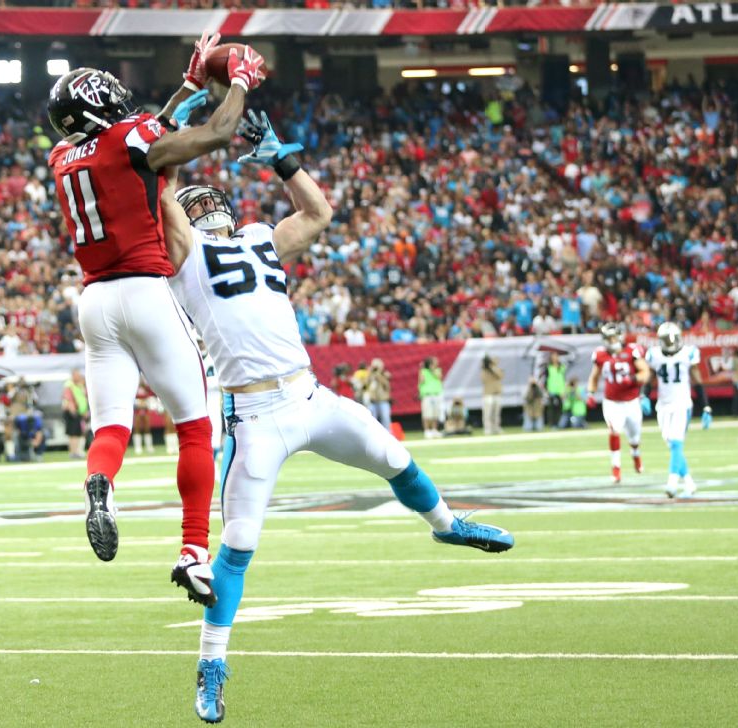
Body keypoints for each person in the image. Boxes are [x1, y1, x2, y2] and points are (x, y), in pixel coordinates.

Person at [157, 111, 513, 723]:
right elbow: (159, 185)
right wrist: (178, 127)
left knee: (395, 459)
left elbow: (319, 214)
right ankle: (211, 665)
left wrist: (281, 159)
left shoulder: (258, 236)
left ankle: (447, 524)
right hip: (255, 415)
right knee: (237, 547)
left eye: (212, 199)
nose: (210, 206)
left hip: (310, 395)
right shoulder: (183, 257)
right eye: (199, 202)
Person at [46, 34, 265, 597]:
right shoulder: (125, 140)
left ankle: (101, 482)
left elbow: (146, 139)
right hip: (145, 289)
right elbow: (209, 135)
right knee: (196, 423)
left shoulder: (62, 158)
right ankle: (194, 551)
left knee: (111, 424)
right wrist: (237, 80)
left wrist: (190, 85)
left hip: (94, 302)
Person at [646, 322, 709, 498]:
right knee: (672, 445)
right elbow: (649, 378)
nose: (671, 342)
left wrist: (706, 405)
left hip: (682, 404)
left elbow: (698, 381)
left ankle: (672, 483)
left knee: (676, 443)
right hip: (663, 405)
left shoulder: (688, 353)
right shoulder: (654, 354)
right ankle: (689, 483)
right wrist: (644, 395)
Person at [586, 322, 650, 483]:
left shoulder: (631, 351)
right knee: (614, 431)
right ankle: (616, 468)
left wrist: (633, 379)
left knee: (634, 437)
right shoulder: (600, 355)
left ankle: (635, 454)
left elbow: (645, 372)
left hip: (631, 401)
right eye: (608, 338)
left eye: (613, 337)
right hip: (612, 402)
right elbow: (594, 376)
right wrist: (590, 393)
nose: (611, 340)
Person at [61, 369, 88, 460]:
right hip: (72, 412)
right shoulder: (69, 385)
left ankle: (77, 451)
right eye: (77, 375)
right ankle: (73, 452)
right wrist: (73, 411)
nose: (79, 376)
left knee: (78, 432)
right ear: (73, 375)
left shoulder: (79, 385)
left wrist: (84, 411)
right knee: (73, 433)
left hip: (79, 412)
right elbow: (68, 398)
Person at [418, 357, 444, 439]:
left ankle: (434, 430)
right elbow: (421, 381)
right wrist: (423, 369)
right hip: (427, 395)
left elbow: (439, 377)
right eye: (435, 361)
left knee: (435, 413)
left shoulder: (438, 370)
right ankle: (427, 431)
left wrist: (432, 370)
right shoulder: (423, 371)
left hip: (436, 394)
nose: (437, 362)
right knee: (427, 414)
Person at [367, 359, 392, 433]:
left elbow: (386, 386)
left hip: (383, 400)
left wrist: (378, 374)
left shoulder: (385, 374)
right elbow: (366, 384)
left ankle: (388, 434)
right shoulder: (370, 375)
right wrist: (370, 373)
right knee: (372, 419)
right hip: (373, 400)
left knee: (385, 418)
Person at [544, 351, 567, 429]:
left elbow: (563, 379)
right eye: (553, 356)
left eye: (556, 356)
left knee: (560, 408)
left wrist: (564, 390)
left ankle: (559, 424)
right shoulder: (548, 367)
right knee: (551, 409)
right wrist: (547, 390)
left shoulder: (562, 367)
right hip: (552, 391)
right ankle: (552, 424)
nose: (555, 358)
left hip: (560, 391)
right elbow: (546, 380)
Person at [480, 355, 503, 436]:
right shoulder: (484, 370)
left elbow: (500, 376)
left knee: (496, 413)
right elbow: (483, 379)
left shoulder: (496, 369)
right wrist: (486, 368)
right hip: (488, 394)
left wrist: (493, 368)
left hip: (497, 393)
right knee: (487, 413)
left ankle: (496, 428)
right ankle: (487, 429)